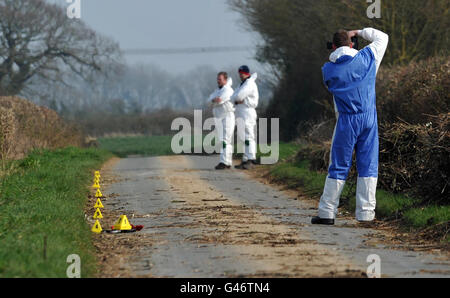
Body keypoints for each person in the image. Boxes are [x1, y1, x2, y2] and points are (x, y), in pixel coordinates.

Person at [311, 28, 389, 225]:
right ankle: (365, 214)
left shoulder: (327, 70)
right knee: (368, 165)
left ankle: (327, 212)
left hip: (346, 119)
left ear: (334, 46)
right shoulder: (368, 57)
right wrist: (360, 31)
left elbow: (335, 79)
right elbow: (382, 37)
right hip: (369, 118)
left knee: (338, 165)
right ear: (352, 43)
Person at [231, 65, 259, 170]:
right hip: (241, 113)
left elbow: (237, 96)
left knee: (248, 136)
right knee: (243, 137)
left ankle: (251, 159)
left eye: (242, 73)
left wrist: (239, 99)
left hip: (247, 113)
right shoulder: (242, 84)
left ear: (247, 73)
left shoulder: (249, 84)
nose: (240, 75)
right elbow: (233, 97)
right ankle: (245, 159)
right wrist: (237, 99)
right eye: (239, 73)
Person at [207, 72, 235, 170]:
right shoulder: (217, 90)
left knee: (225, 140)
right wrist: (214, 100)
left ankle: (224, 162)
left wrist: (214, 100)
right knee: (223, 140)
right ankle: (227, 162)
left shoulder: (228, 90)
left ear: (225, 80)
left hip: (227, 116)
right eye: (218, 79)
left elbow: (220, 100)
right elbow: (209, 99)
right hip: (219, 117)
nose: (218, 81)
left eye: (220, 79)